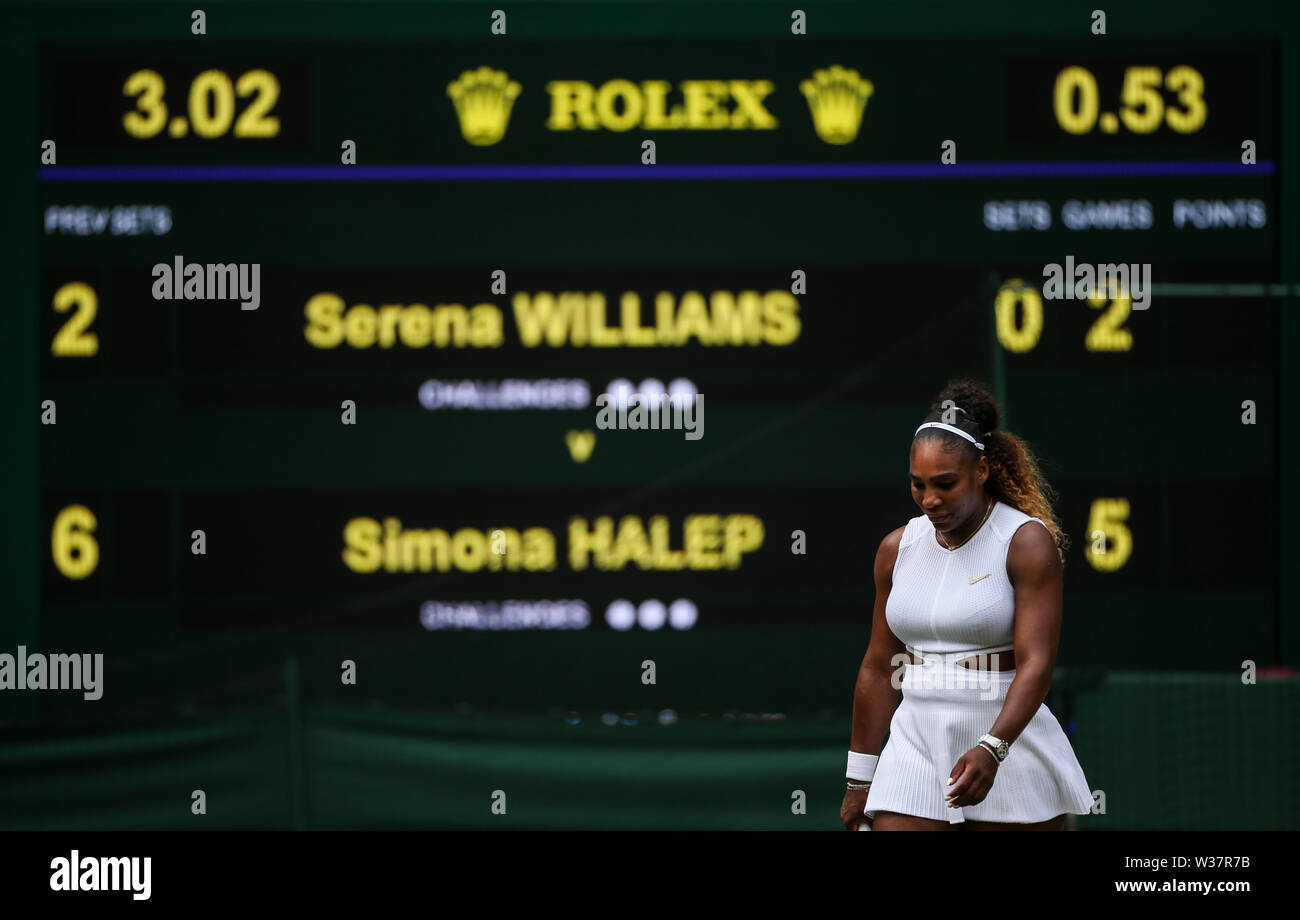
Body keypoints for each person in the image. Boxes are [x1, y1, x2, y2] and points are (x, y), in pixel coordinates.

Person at [840, 379, 1093, 831]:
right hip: (914, 737)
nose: (929, 499)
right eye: (917, 485)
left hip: (1007, 736)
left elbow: (1037, 664)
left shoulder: (1025, 542)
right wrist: (860, 780)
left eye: (945, 484)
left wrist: (993, 746)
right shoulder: (896, 548)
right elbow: (879, 668)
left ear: (981, 470)